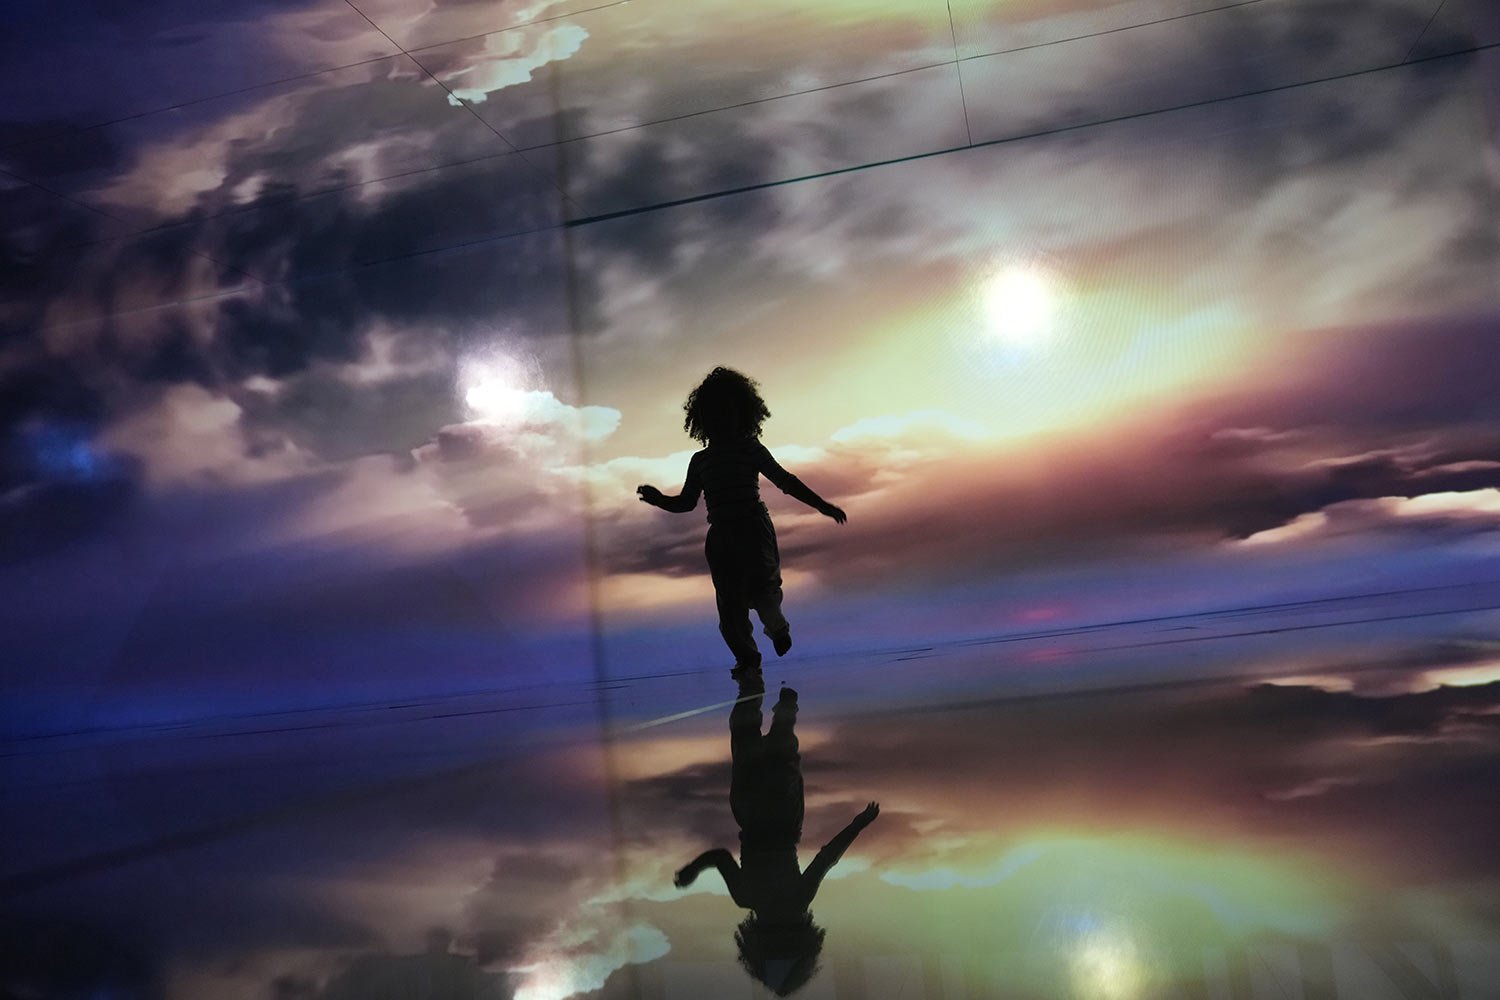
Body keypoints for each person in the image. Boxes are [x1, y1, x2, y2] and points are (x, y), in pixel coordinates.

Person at [673, 682, 880, 996]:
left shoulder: (796, 900)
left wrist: (858, 825)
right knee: (749, 737)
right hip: (755, 813)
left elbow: (827, 857)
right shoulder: (750, 898)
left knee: (778, 748)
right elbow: (719, 857)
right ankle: (757, 687)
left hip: (780, 816)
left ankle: (778, 703)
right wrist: (692, 870)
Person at [637, 367, 846, 674]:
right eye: (714, 414)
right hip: (721, 537)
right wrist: (660, 500)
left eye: (728, 412)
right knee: (730, 608)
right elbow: (686, 502)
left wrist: (821, 505)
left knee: (764, 590)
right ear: (702, 419)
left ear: (741, 413)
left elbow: (784, 480)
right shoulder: (701, 461)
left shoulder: (750, 449)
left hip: (753, 529)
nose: (721, 420)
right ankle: (747, 658)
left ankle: (777, 628)